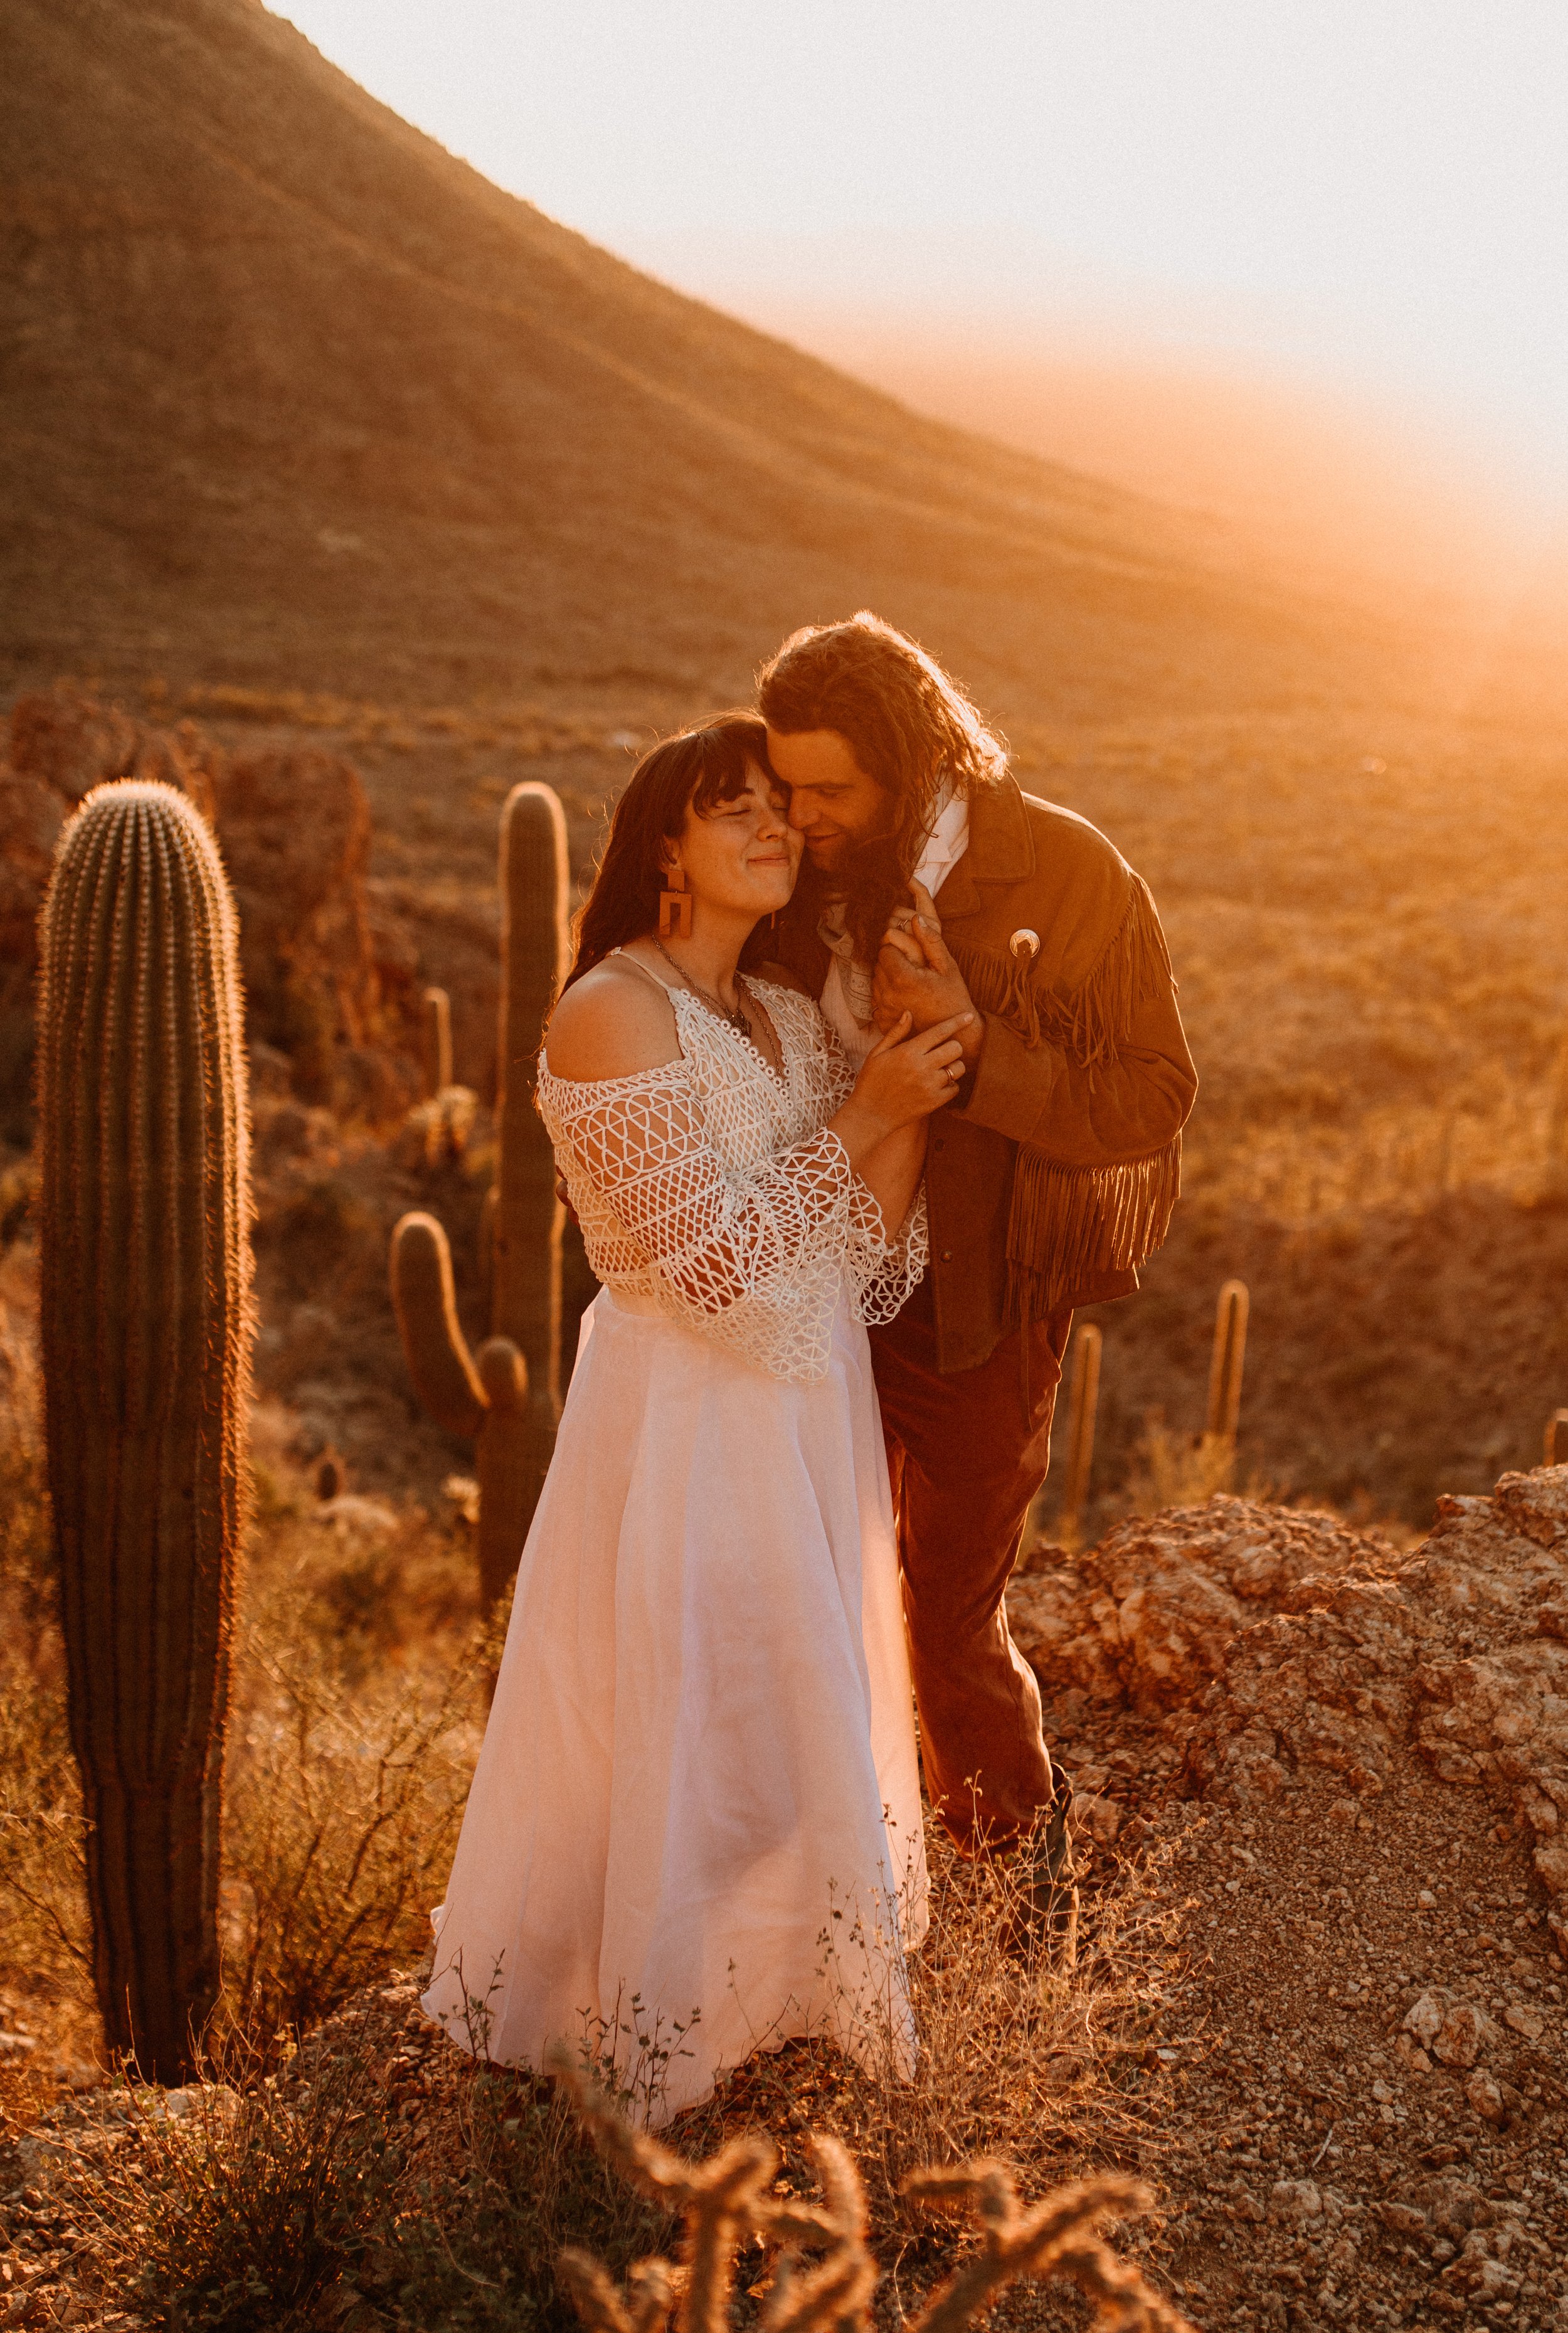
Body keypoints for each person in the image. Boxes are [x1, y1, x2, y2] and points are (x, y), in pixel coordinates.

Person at [423, 714, 970, 2119]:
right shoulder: (611, 1009)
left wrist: (900, 1074)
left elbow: (864, 1253)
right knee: (683, 1713)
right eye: (732, 808)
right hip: (682, 1420)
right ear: (662, 844)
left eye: (779, 808)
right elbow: (713, 1267)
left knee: (788, 1712)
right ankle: (640, 2050)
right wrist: (870, 1115)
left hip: (802, 1404)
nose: (771, 829)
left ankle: (782, 2000)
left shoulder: (783, 1019)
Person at [755, 615, 1197, 1920]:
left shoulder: (1063, 870)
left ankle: (1010, 1899)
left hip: (973, 1312)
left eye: (828, 787)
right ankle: (822, 1895)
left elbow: (1152, 1095)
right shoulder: (789, 869)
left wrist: (973, 1046)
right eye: (783, 787)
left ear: (903, 760)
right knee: (796, 1602)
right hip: (801, 1292)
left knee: (945, 1614)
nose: (802, 813)